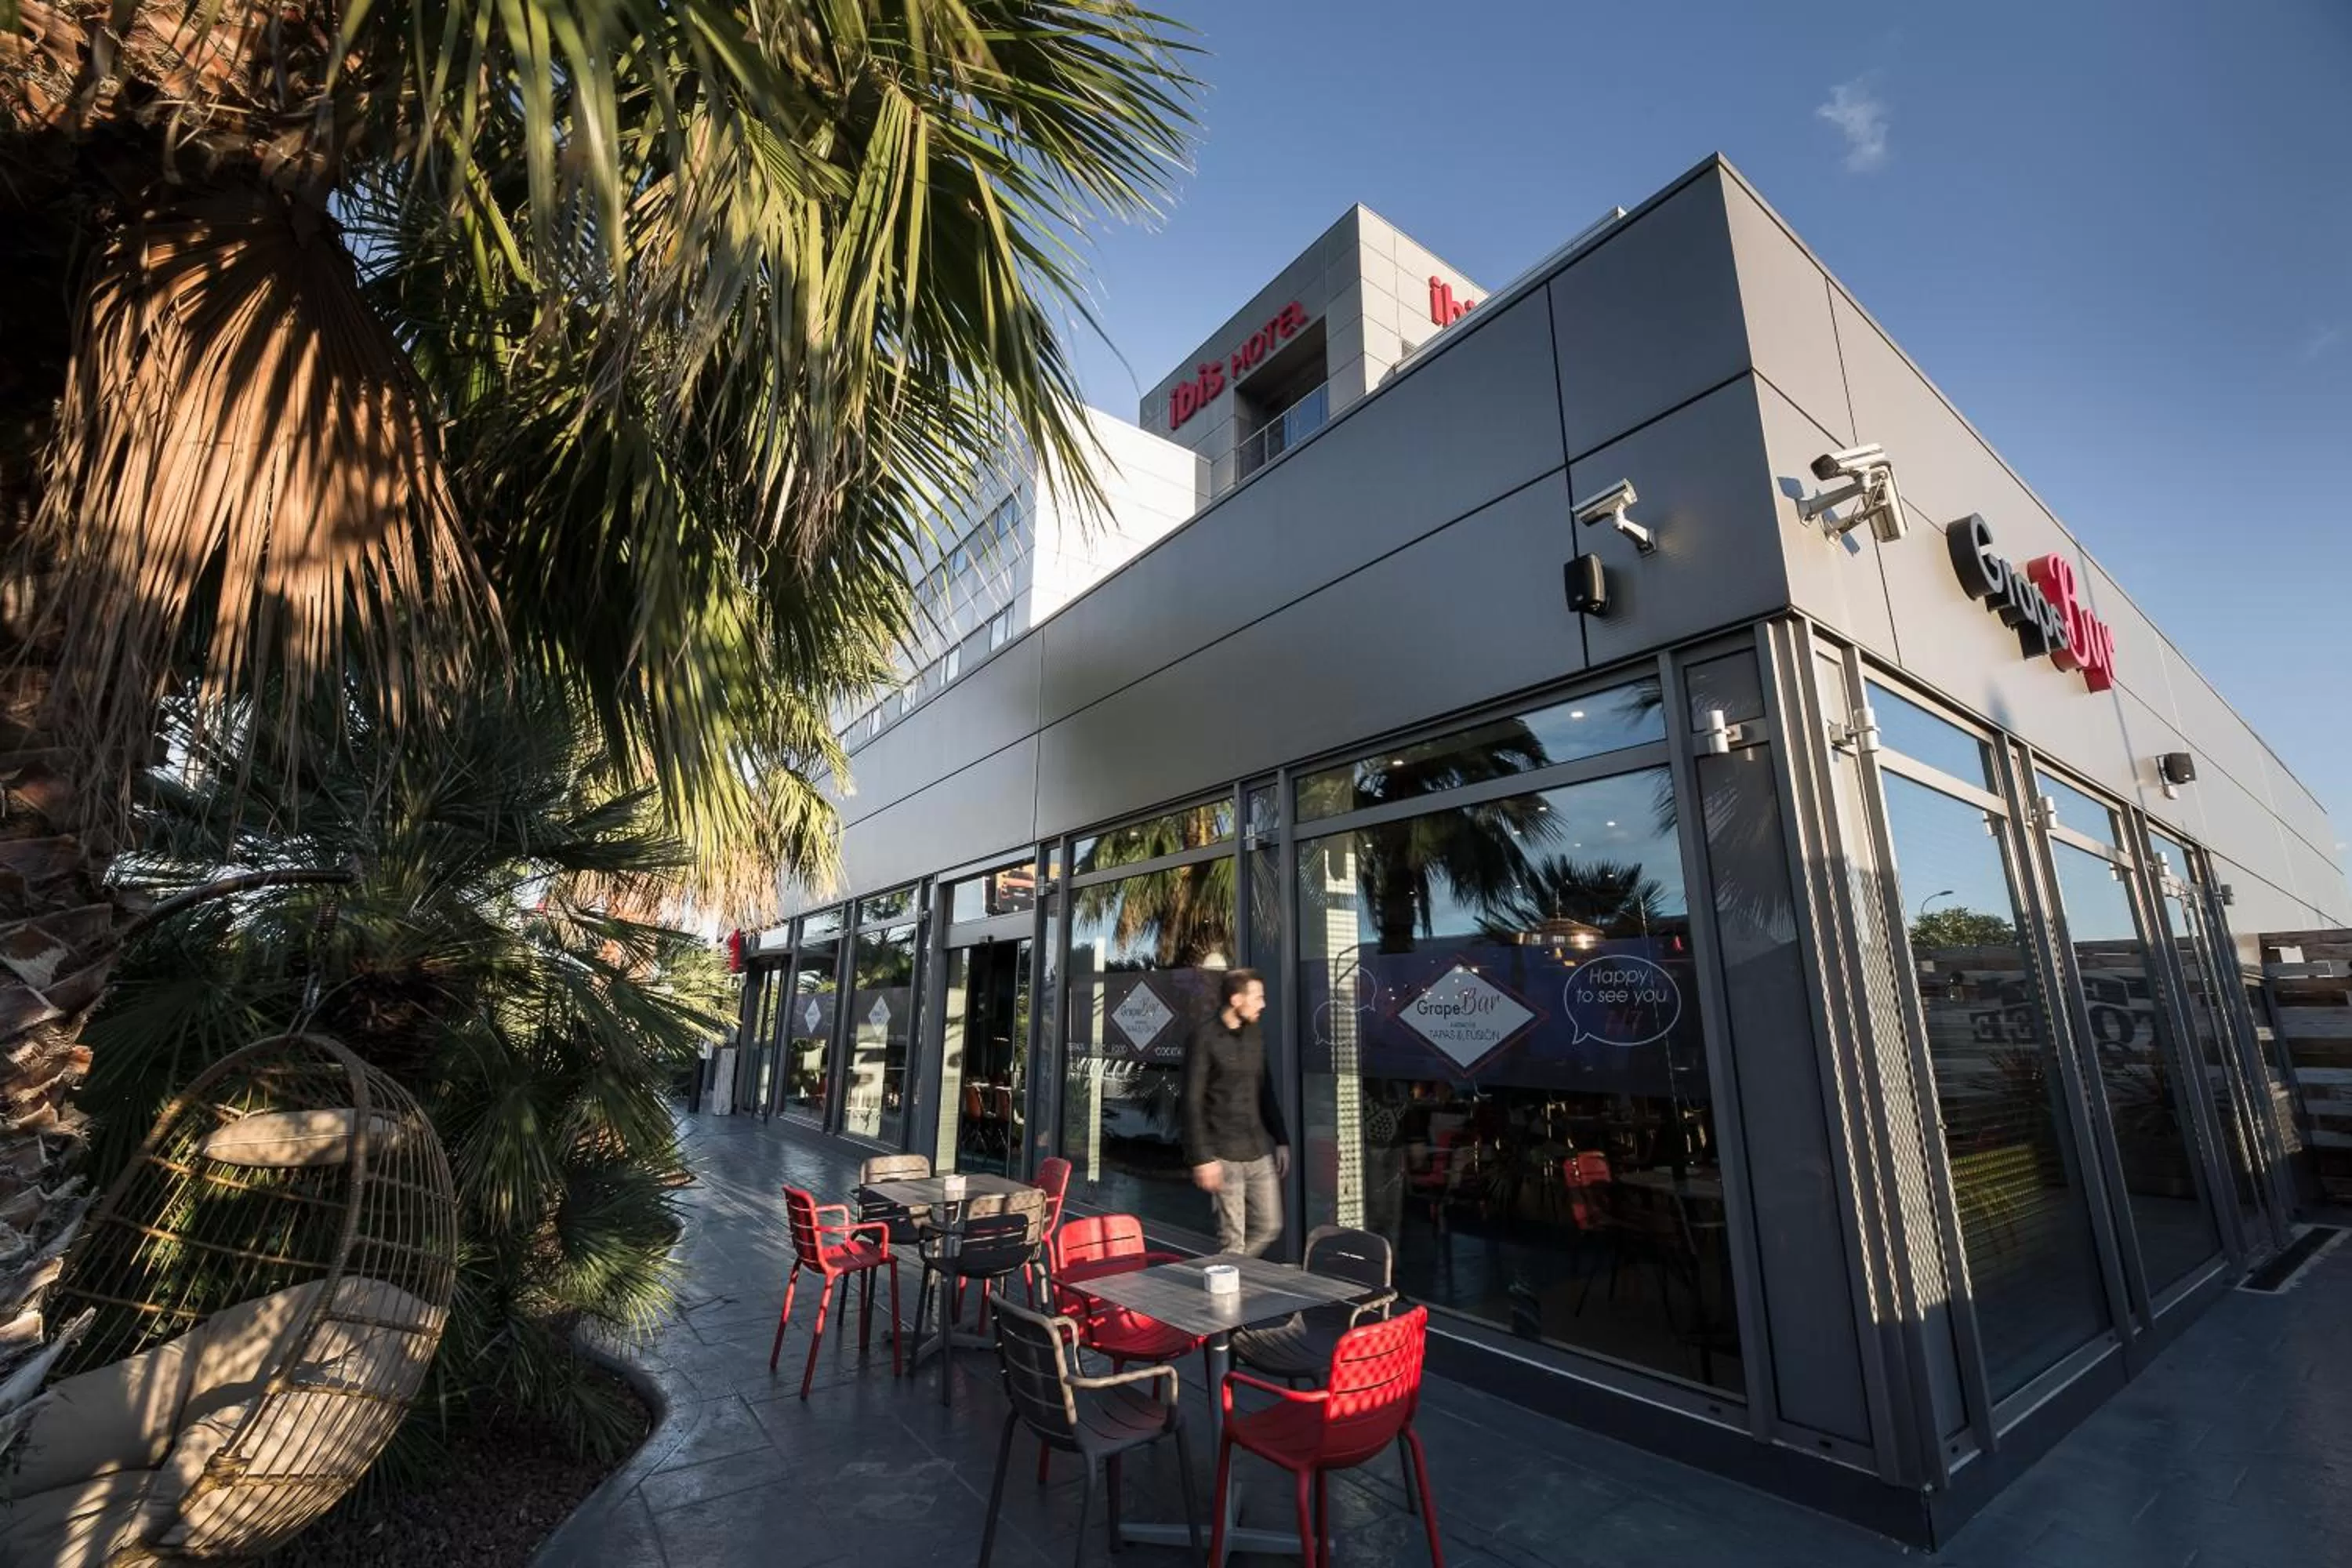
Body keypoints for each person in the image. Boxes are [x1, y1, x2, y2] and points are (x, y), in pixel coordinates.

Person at [1181, 968, 1290, 1257]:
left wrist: (1281, 1140)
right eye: (1258, 997)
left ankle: (1224, 1273)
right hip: (1223, 1154)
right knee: (1233, 1241)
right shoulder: (1204, 1038)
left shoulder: (1255, 1035)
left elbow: (1265, 1091)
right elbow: (1191, 1101)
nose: (1263, 1004)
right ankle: (1228, 1291)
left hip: (1258, 1150)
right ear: (1236, 999)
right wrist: (1202, 1158)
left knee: (1270, 1226)